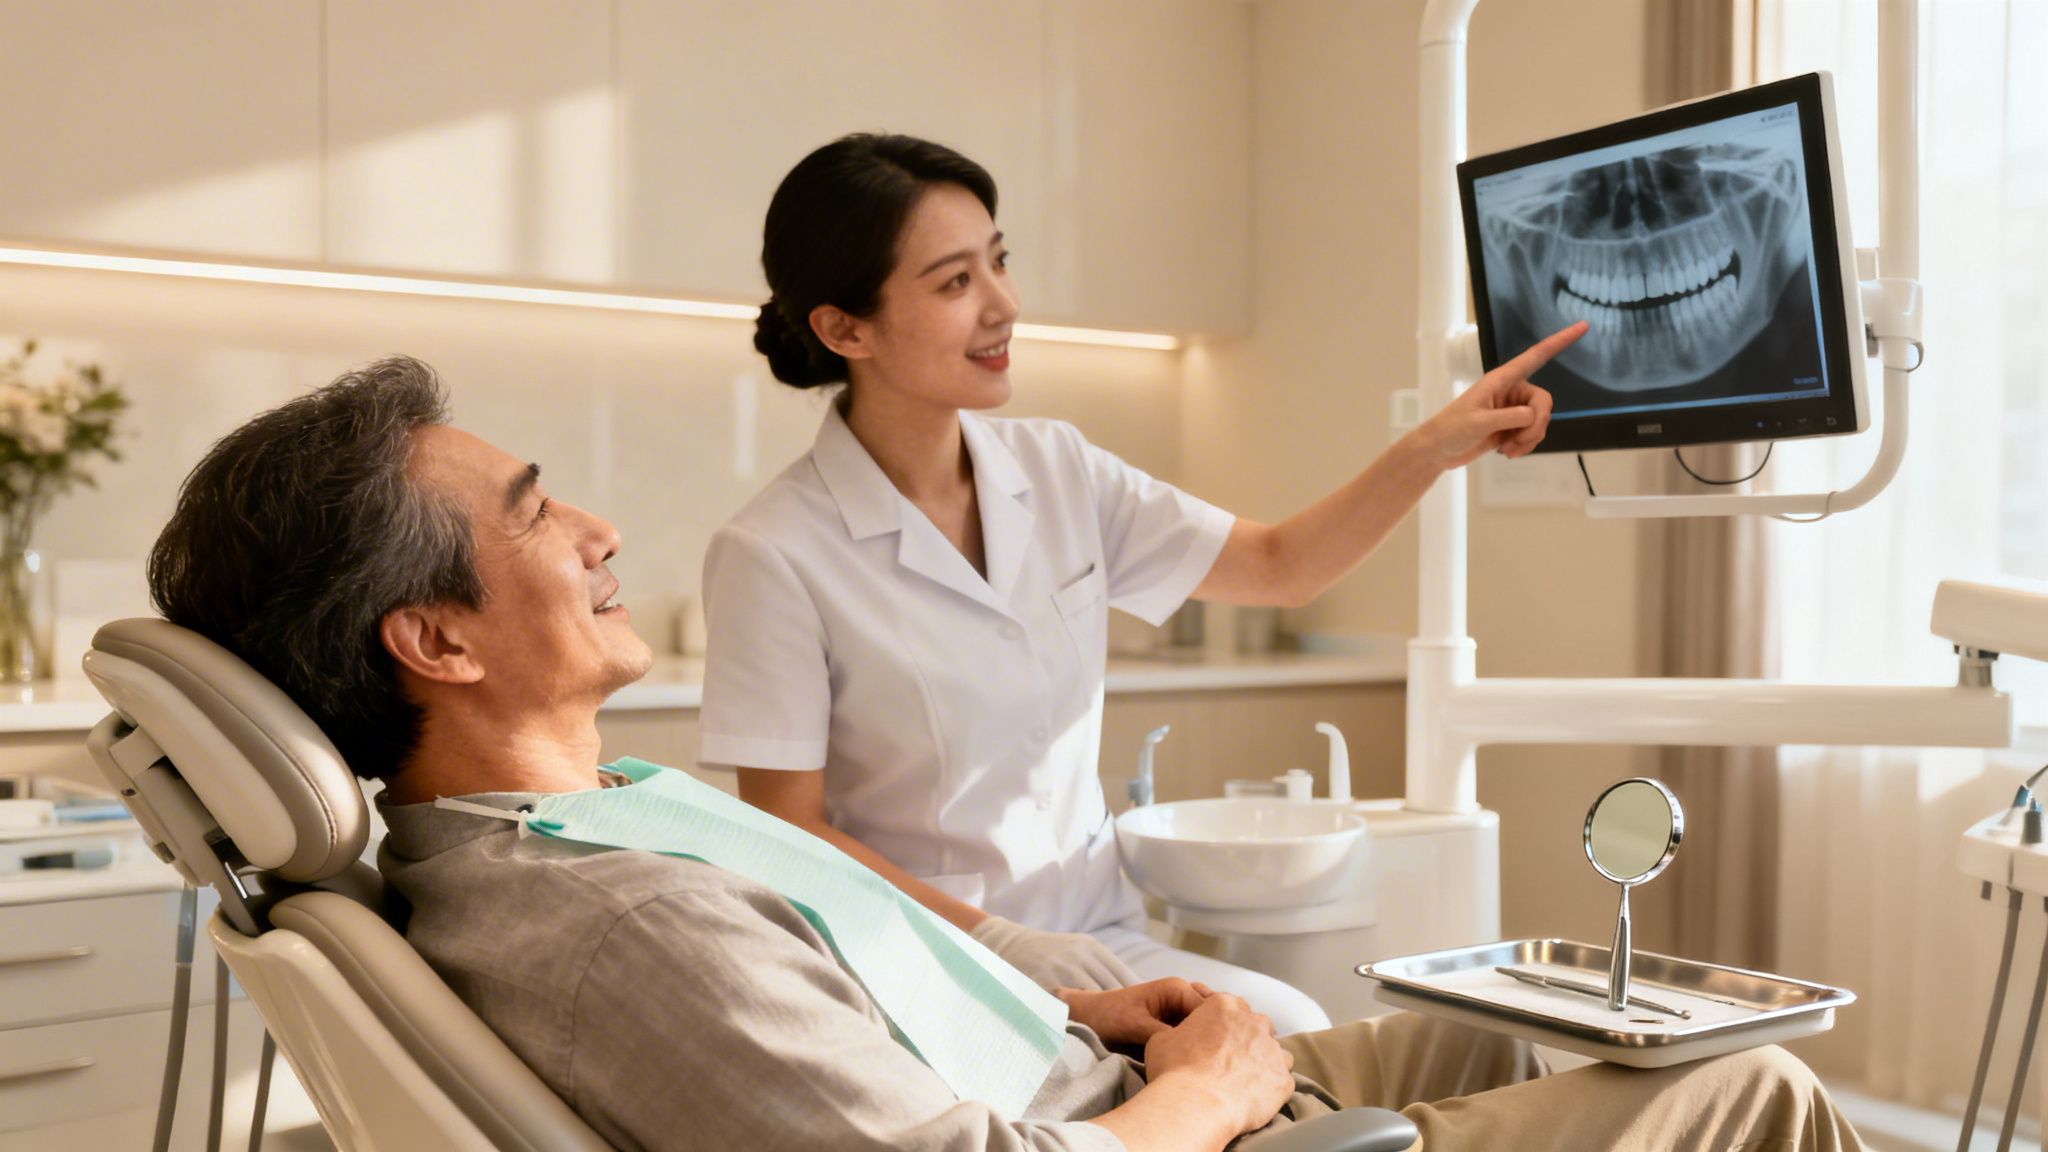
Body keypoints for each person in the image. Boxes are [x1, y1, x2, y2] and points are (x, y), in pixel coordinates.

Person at [147, 357, 1864, 1152]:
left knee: (1586, 1035)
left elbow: (855, 920)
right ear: (433, 642)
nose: (595, 527)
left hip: (1096, 1058)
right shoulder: (603, 927)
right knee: (1754, 1093)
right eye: (534, 513)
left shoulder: (617, 810)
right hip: (1156, 1135)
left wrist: (1086, 1002)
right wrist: (1201, 1096)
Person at [700, 133, 1588, 1033]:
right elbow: (788, 833)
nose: (1005, 305)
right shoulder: (773, 552)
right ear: (844, 327)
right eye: (955, 282)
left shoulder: (1058, 469)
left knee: (1304, 1033)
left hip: (1099, 942)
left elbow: (1280, 567)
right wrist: (999, 941)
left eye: (999, 263)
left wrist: (1433, 448)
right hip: (925, 970)